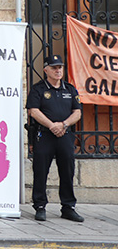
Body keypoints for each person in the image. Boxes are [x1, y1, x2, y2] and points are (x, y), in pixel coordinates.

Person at [27, 54, 84, 222]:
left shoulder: (70, 89)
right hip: (44, 135)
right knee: (41, 170)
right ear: (46, 70)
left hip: (65, 135)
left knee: (67, 170)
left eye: (60, 67)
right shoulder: (38, 89)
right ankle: (40, 206)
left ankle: (68, 207)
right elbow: (33, 111)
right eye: (54, 67)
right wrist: (52, 125)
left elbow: (78, 112)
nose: (58, 70)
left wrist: (64, 125)